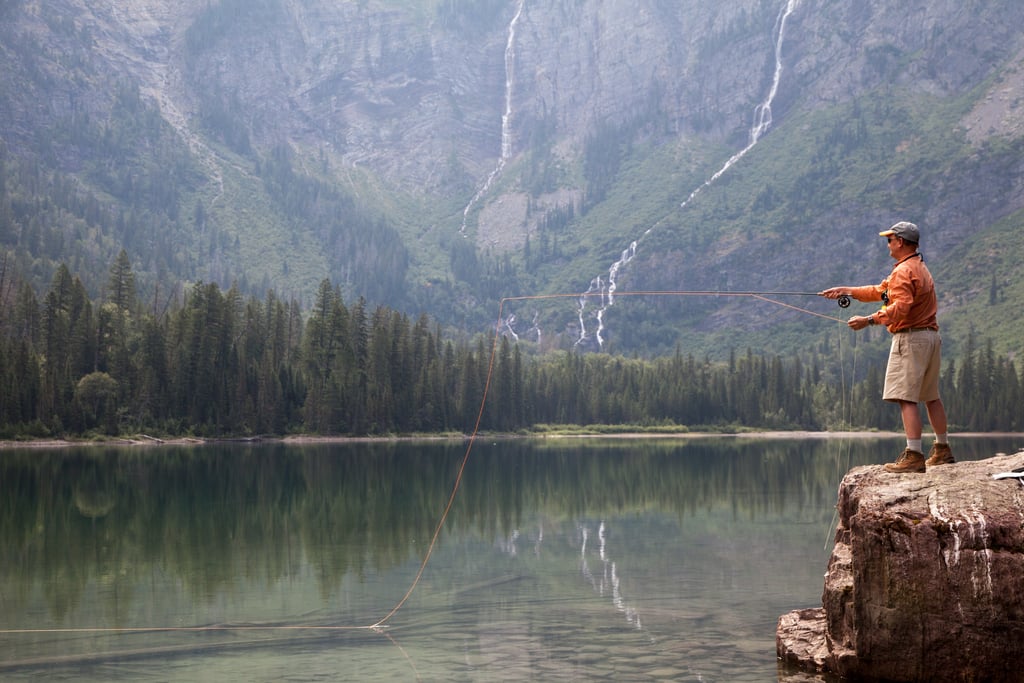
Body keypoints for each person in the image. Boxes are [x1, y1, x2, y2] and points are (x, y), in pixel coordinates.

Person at [819, 221, 953, 473]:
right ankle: (943, 450)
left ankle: (914, 455)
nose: (888, 244)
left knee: (906, 398)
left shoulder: (903, 271)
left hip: (911, 339)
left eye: (890, 240)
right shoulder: (918, 268)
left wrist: (868, 320)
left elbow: (900, 307)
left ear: (900, 242)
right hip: (930, 337)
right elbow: (882, 292)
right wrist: (847, 290)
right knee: (931, 397)